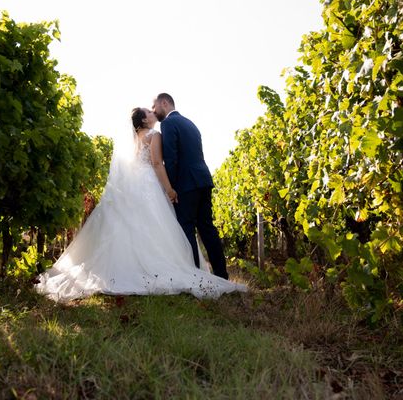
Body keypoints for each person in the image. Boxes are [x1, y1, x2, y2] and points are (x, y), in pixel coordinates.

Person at [35, 107, 246, 302]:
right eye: (149, 112)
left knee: (132, 226)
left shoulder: (134, 139)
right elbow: (156, 163)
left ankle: (129, 268)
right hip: (149, 184)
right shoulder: (154, 135)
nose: (153, 113)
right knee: (156, 225)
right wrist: (170, 189)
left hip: (134, 185)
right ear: (144, 120)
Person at [152, 93, 229, 279]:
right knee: (207, 229)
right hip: (203, 180)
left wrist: (170, 188)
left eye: (155, 106)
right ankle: (222, 275)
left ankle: (195, 277)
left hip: (186, 184)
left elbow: (171, 159)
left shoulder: (168, 124)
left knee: (186, 228)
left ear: (165, 102)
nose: (154, 111)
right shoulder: (190, 124)